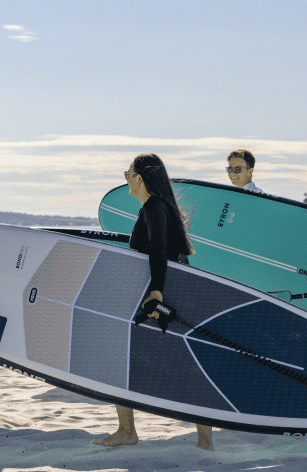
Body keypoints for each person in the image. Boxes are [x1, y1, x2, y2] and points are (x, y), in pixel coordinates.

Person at [94, 153, 215, 450]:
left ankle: (129, 432)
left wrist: (156, 292)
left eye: (127, 173)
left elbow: (159, 249)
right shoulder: (158, 207)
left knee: (120, 356)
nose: (125, 178)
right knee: (184, 363)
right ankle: (203, 441)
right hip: (168, 294)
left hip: (159, 296)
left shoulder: (154, 207)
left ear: (140, 177)